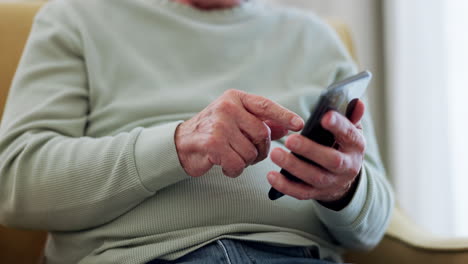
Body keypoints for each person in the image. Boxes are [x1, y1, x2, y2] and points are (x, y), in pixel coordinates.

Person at [0, 0, 394, 263]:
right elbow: (15, 180)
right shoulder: (75, 17)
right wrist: (175, 146)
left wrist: (344, 187)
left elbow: (374, 226)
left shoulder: (315, 37)